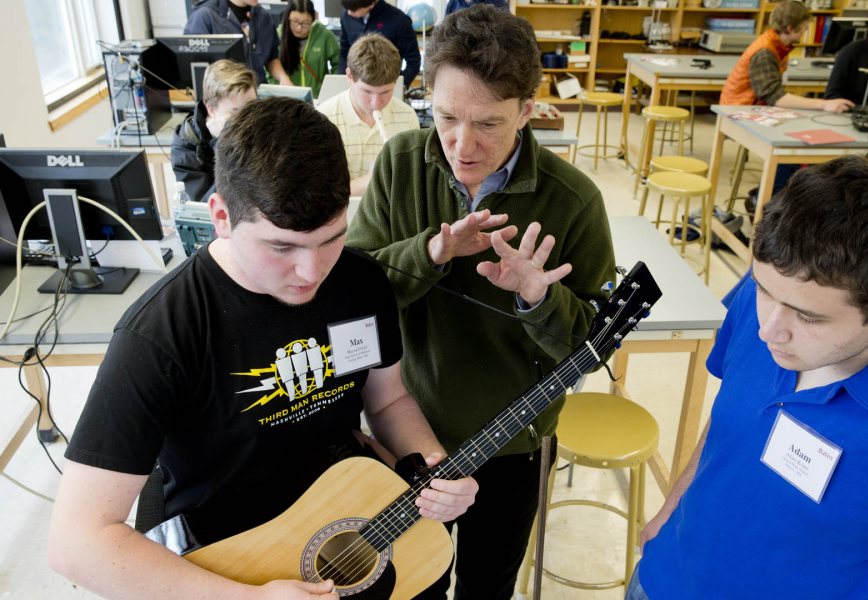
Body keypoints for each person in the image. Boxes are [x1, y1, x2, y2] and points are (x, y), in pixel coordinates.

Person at [47, 97, 478, 599]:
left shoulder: (361, 280)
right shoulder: (160, 335)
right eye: (281, 247)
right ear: (221, 216)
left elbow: (387, 399)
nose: (312, 272)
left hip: (343, 516)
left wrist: (427, 462)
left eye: (331, 239)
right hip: (230, 557)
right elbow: (76, 542)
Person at [346, 6, 615, 598]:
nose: (462, 146)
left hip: (511, 443)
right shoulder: (397, 165)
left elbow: (591, 349)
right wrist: (431, 253)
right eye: (445, 117)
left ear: (526, 109)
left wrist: (538, 297)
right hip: (406, 431)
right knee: (410, 582)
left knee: (486, 585)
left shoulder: (574, 200)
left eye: (489, 124)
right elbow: (353, 301)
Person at [628, 151, 868, 600]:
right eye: (763, 290)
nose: (767, 330)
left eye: (809, 319)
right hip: (664, 578)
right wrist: (672, 506)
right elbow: (730, 418)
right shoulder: (768, 298)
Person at [317, 34, 420, 197]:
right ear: (349, 76)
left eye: (386, 92)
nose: (376, 103)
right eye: (367, 92)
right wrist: (373, 180)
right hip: (341, 217)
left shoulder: (407, 117)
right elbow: (320, 192)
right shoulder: (324, 118)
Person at [721, 0, 853, 112]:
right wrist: (824, 104)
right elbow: (775, 97)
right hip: (739, 110)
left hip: (752, 106)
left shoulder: (780, 45)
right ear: (790, 28)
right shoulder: (765, 52)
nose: (806, 30)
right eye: (804, 26)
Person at [171, 59, 257, 203]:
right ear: (211, 110)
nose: (248, 119)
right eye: (236, 112)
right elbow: (209, 206)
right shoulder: (186, 149)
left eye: (252, 107)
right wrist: (224, 143)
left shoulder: (261, 120)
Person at [185, 0, 292, 86]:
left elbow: (271, 57)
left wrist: (282, 77)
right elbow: (193, 66)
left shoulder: (264, 17)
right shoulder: (205, 15)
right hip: (224, 100)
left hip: (257, 99)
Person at [338, 0, 420, 88]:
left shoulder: (400, 21)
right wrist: (342, 80)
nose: (349, 13)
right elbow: (344, 51)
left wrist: (398, 87)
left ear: (371, 3)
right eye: (347, 8)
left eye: (353, 10)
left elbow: (413, 61)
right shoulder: (346, 16)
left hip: (386, 85)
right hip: (355, 86)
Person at [275, 0, 339, 98]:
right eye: (295, 21)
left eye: (305, 23)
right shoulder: (278, 35)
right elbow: (269, 66)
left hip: (317, 98)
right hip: (287, 99)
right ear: (288, 18)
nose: (299, 28)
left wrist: (330, 88)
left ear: (313, 20)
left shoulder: (324, 36)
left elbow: (338, 63)